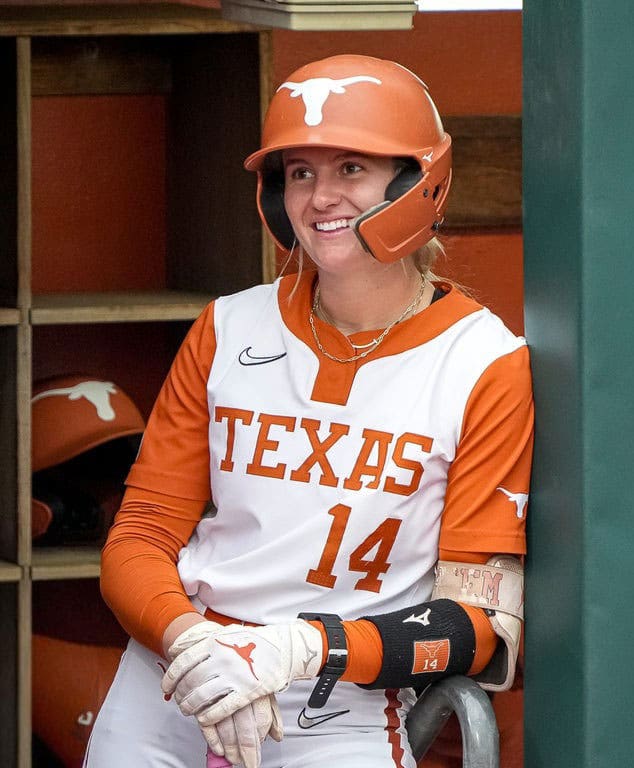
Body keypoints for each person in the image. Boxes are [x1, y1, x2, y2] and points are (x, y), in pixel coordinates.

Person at [84, 54, 533, 768]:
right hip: (179, 675)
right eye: (300, 173)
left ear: (417, 181)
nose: (321, 196)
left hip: (338, 699)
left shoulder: (483, 362)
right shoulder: (229, 327)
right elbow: (139, 535)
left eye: (351, 168)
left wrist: (298, 647)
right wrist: (192, 641)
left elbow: (477, 625)